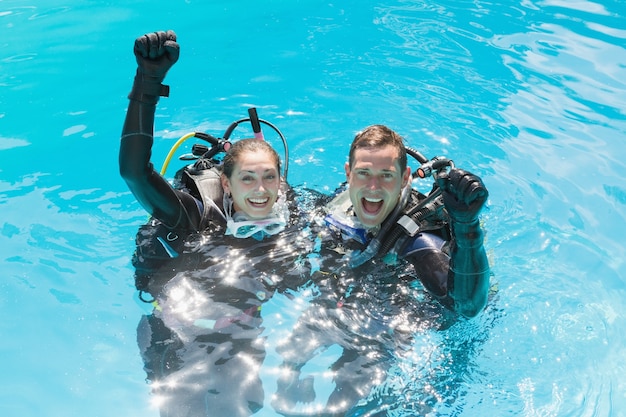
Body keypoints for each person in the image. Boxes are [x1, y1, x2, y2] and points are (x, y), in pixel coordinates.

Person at [119, 30, 311, 417]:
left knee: (245, 406)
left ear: (281, 180)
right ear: (226, 182)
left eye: (269, 178)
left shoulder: (291, 219)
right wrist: (148, 83)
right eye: (247, 178)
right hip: (174, 335)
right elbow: (135, 174)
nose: (260, 191)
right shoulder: (193, 216)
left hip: (238, 335)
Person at [272, 125, 490, 416]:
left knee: (341, 406)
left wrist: (467, 228)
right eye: (364, 174)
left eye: (386, 176)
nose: (373, 187)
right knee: (287, 365)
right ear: (349, 173)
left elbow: (467, 308)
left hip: (385, 327)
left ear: (404, 179)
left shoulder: (420, 243)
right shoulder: (338, 205)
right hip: (338, 304)